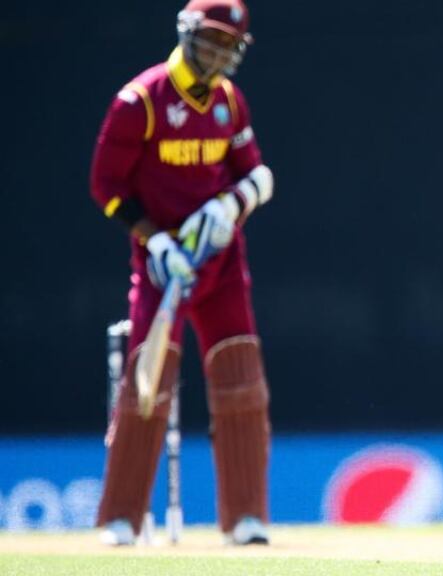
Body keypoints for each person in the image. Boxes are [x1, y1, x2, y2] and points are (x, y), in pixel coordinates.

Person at [90, 0, 274, 546]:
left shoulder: (229, 103)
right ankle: (121, 517)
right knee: (149, 384)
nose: (218, 54)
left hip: (219, 264)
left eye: (228, 46)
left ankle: (246, 519)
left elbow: (257, 175)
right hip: (160, 267)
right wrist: (157, 241)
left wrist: (230, 206)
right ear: (187, 33)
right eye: (211, 40)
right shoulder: (140, 101)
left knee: (240, 378)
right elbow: (106, 187)